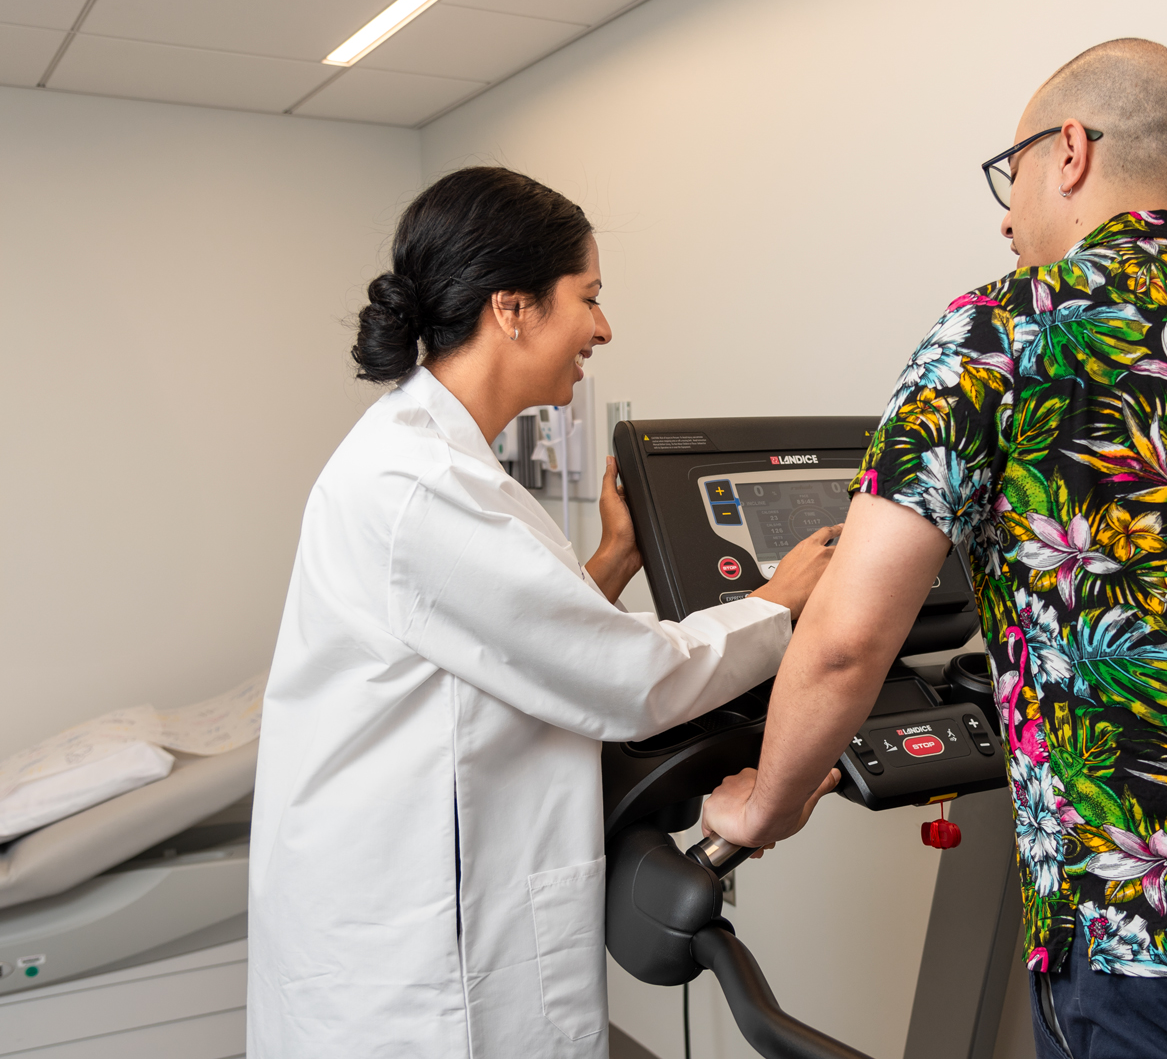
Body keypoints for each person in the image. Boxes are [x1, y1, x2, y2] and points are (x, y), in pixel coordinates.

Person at [703, 39, 1167, 1059]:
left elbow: (850, 636)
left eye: (1013, 170)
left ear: (1067, 150)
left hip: (1163, 945)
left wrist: (763, 808)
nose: (1005, 209)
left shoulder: (1002, 327)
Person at [247, 167, 839, 1059]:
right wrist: (780, 601)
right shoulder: (422, 486)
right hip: (416, 949)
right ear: (513, 307)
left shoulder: (441, 462)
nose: (603, 328)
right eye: (589, 298)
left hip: (428, 893)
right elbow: (631, 680)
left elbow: (507, 644)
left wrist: (614, 558)